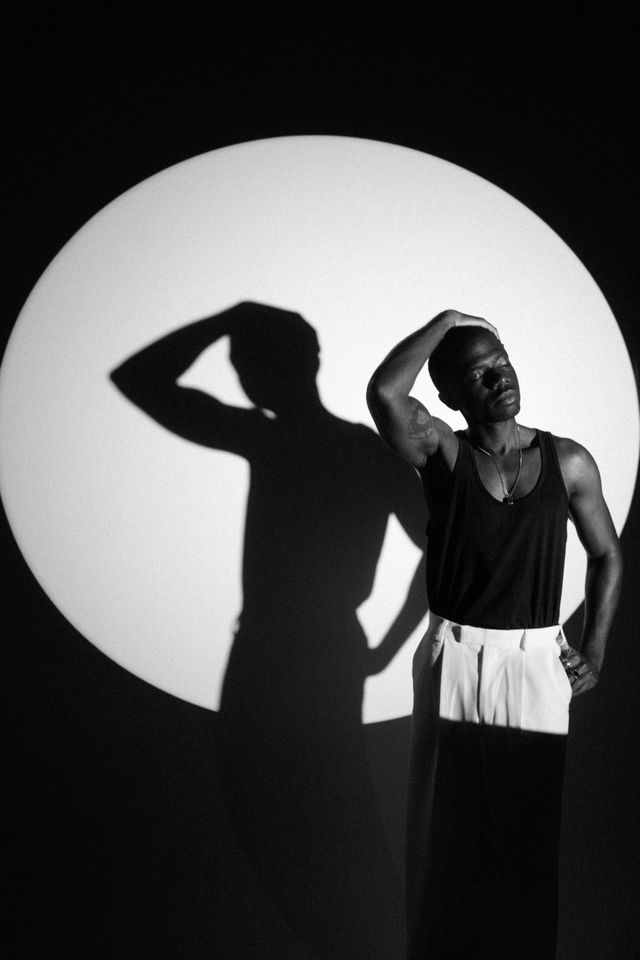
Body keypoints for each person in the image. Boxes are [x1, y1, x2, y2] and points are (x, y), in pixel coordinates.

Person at [366, 309, 623, 960]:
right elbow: (386, 393)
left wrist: (594, 649)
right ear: (450, 395)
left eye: (501, 363)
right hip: (454, 652)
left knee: (525, 848)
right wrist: (447, 320)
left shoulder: (568, 460)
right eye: (476, 373)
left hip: (535, 659)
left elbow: (607, 555)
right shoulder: (441, 451)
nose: (497, 378)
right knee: (444, 844)